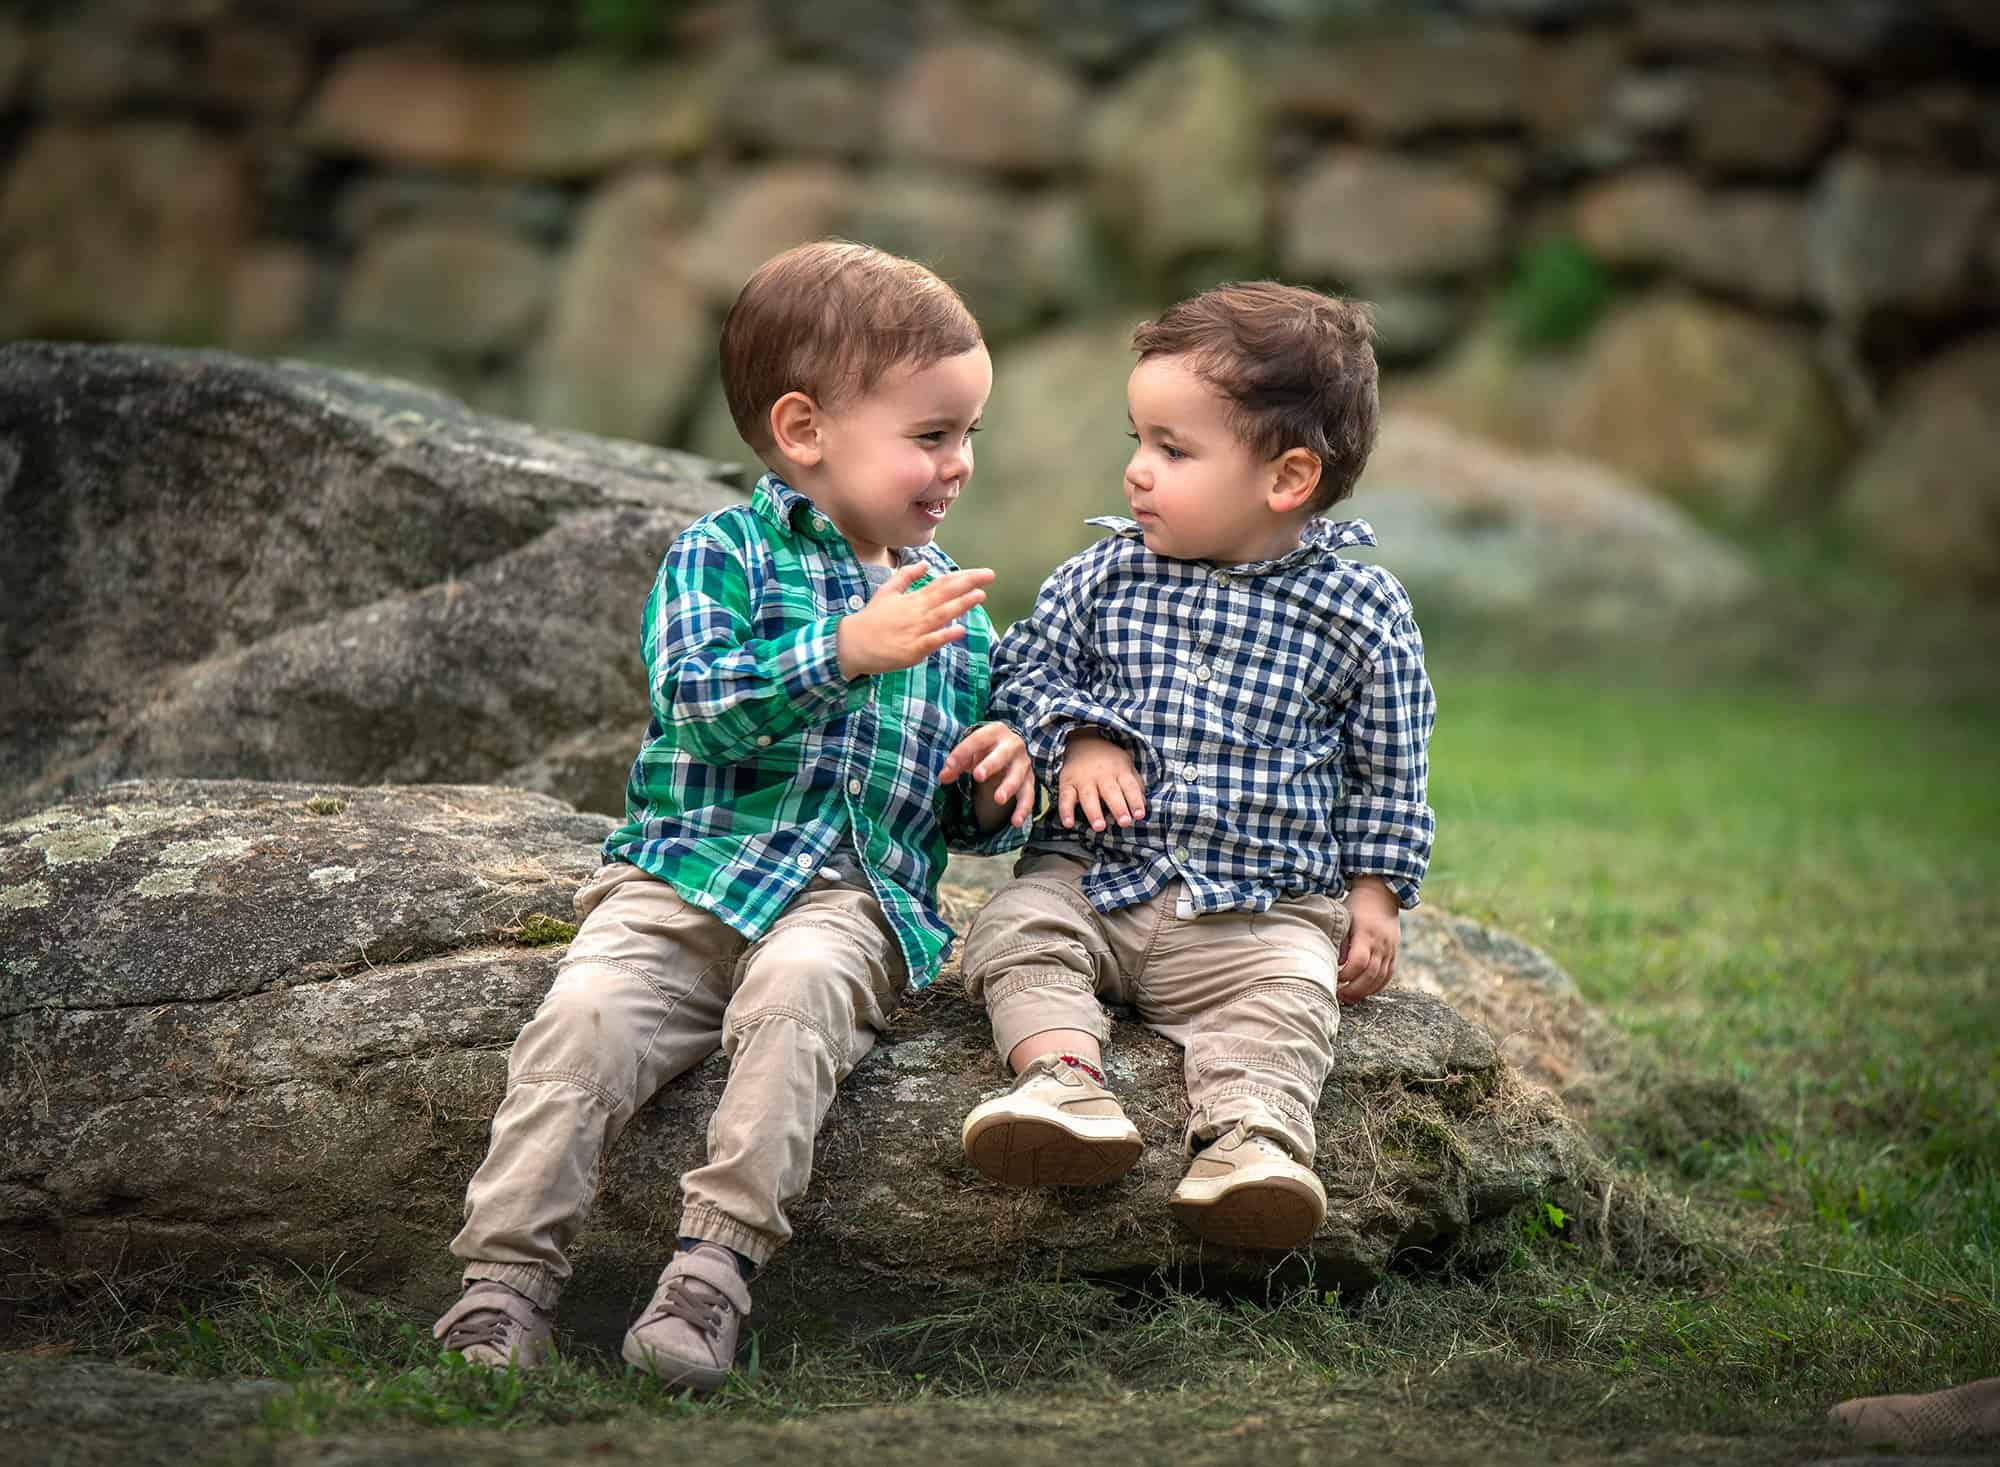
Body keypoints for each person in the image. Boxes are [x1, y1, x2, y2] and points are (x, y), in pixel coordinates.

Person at [432, 241, 1033, 1388]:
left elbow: (961, 819)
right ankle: (501, 1288)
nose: (958, 463)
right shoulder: (722, 553)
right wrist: (845, 651)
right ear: (805, 430)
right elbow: (700, 706)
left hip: (850, 900)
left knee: (803, 998)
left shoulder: (946, 604)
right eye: (930, 434)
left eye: (967, 434)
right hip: (684, 878)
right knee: (587, 1021)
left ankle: (709, 1276)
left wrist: (1000, 779)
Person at [956, 281, 1435, 1251]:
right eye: (1135, 441)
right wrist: (1079, 736)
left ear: (1286, 479)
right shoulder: (1104, 575)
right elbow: (1021, 666)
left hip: (1253, 910)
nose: (1136, 473)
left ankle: (1249, 1144)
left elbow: (1390, 764)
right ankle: (1062, 1082)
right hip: (1091, 879)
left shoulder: (1360, 613)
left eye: (1171, 451)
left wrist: (1375, 896)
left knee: (1289, 997)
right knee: (1013, 932)